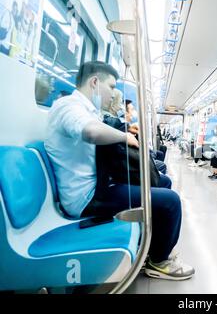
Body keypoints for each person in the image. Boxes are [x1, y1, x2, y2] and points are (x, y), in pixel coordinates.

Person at [45, 61, 194, 280]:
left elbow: (101, 125)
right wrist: (125, 136)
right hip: (86, 197)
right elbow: (91, 133)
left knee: (163, 182)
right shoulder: (68, 106)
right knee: (171, 200)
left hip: (100, 184)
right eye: (112, 87)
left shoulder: (88, 109)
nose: (114, 94)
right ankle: (159, 262)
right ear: (95, 82)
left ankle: (152, 249)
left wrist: (124, 129)